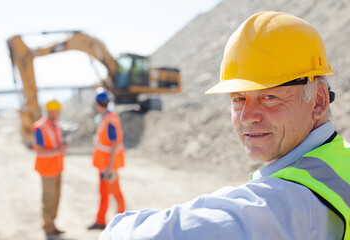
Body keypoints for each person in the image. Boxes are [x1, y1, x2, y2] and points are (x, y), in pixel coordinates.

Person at [99, 11, 350, 240]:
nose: (246, 117)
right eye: (238, 99)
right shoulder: (340, 161)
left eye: (269, 97)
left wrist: (116, 229)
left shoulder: (295, 200)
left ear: (318, 100)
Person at [88, 88, 126, 230]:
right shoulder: (107, 117)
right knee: (104, 193)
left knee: (116, 193)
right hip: (104, 165)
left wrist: (109, 167)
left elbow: (114, 143)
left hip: (109, 166)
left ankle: (123, 221)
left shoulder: (109, 120)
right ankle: (100, 221)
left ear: (97, 104)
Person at [32, 99, 68, 240]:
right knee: (48, 199)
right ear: (50, 111)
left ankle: (53, 225)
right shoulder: (40, 127)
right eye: (57, 111)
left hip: (57, 168)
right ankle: (48, 228)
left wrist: (62, 146)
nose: (59, 113)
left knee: (56, 198)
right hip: (47, 169)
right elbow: (39, 149)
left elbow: (55, 143)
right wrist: (58, 149)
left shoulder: (56, 125)